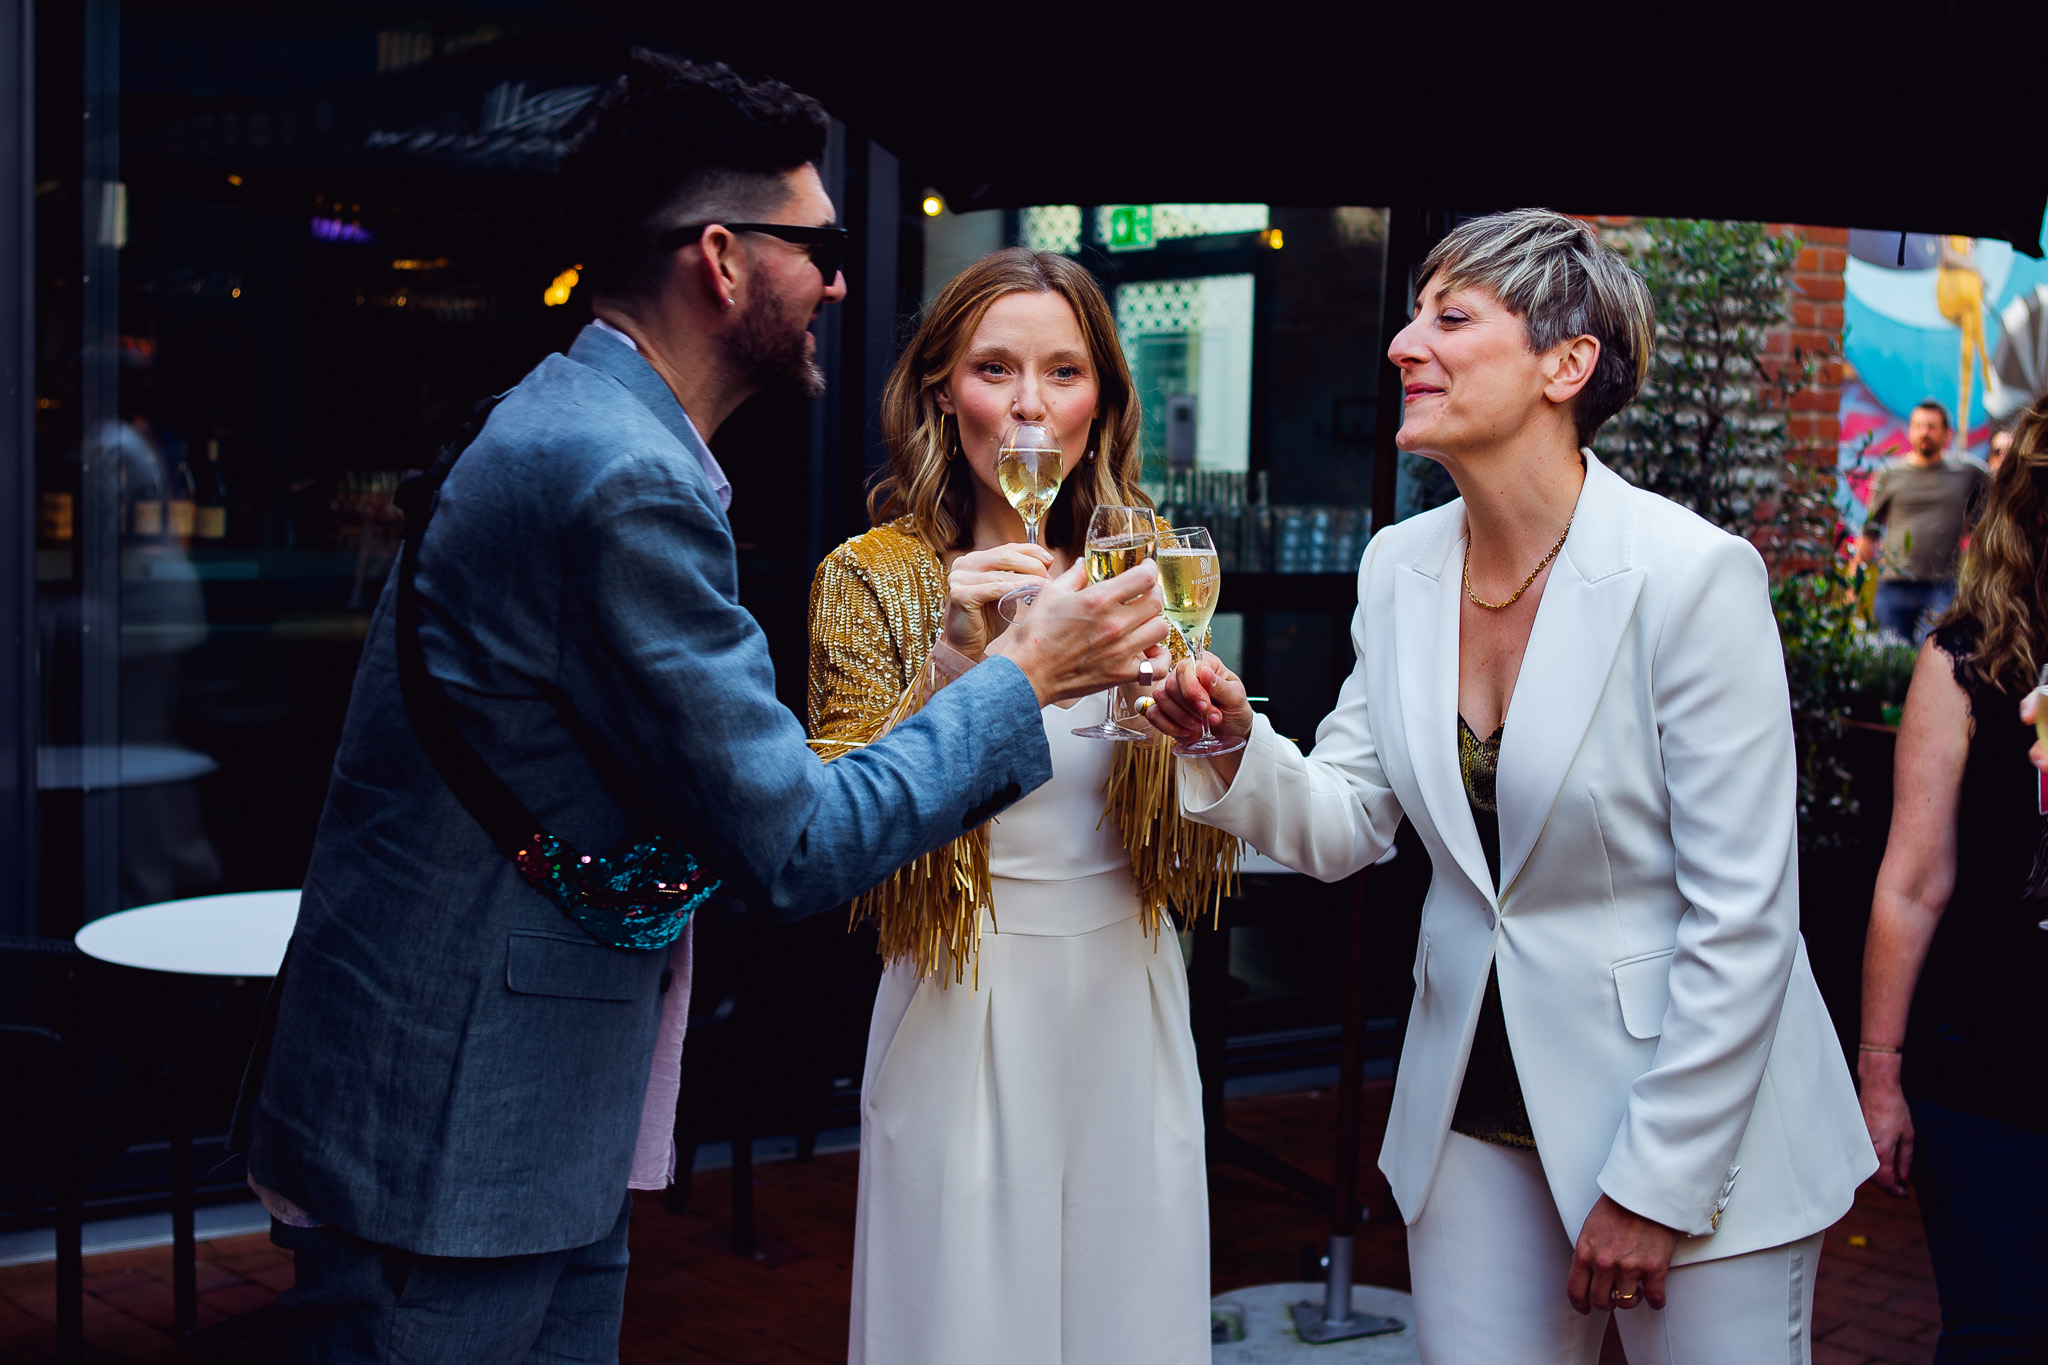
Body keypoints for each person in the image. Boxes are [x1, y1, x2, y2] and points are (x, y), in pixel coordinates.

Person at [239, 54, 1165, 1364]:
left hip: (502, 1105)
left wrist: (962, 669)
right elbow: (792, 843)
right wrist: (1030, 679)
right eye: (819, 245)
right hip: (458, 1127)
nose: (841, 280)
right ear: (722, 260)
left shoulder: (579, 421)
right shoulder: (617, 475)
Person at [1147, 209, 1874, 1364]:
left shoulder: (1690, 579)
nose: (1400, 343)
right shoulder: (1400, 568)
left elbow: (1744, 916)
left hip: (1697, 1123)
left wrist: (1657, 1181)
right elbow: (1342, 821)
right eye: (1410, 313)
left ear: (1564, 364)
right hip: (1471, 1114)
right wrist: (1231, 745)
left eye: (1450, 317)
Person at [807, 247, 1235, 1365]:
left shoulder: (1146, 568)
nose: (1030, 406)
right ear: (945, 389)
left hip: (1126, 994)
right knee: (959, 1326)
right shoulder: (874, 574)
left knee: (1125, 1322)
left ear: (1101, 402)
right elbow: (837, 828)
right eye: (995, 369)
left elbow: (1196, 847)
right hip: (961, 992)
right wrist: (952, 663)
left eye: (1063, 372)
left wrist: (1206, 732)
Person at [1859, 395, 2048, 1362]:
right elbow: (1912, 880)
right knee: (2002, 1331)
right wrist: (1880, 1070)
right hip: (1988, 1062)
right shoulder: (1966, 661)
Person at [1857, 400, 1989, 641]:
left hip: (1942, 587)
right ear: (1910, 430)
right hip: (1893, 586)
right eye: (1918, 426)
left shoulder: (1969, 473)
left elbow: (1997, 497)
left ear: (1947, 434)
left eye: (1931, 427)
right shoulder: (1890, 474)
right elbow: (1869, 534)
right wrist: (1852, 585)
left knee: (1937, 658)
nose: (1924, 433)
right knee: (1888, 661)